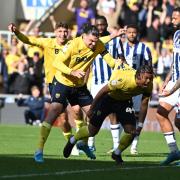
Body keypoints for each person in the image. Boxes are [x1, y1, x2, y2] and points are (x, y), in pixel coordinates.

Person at [33, 24, 125, 162]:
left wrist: (119, 64)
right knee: (55, 109)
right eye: (91, 41)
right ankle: (39, 150)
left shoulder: (98, 44)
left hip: (79, 86)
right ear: (83, 36)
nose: (93, 44)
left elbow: (110, 62)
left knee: (93, 115)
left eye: (96, 41)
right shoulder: (72, 45)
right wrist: (73, 72)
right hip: (63, 82)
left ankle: (81, 142)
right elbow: (57, 63)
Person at [8, 22, 77, 162]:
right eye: (60, 31)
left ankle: (75, 143)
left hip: (71, 83)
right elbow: (28, 40)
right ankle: (41, 149)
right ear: (55, 31)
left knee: (68, 116)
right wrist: (16, 33)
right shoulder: (47, 42)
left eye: (65, 31)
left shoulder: (73, 44)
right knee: (61, 116)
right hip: (55, 84)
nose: (63, 34)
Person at [63, 63, 153, 164]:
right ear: (139, 75)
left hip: (124, 103)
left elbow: (144, 103)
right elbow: (102, 91)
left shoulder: (149, 85)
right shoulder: (124, 80)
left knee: (131, 132)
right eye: (146, 78)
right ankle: (72, 140)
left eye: (150, 78)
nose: (148, 81)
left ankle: (117, 153)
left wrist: (140, 124)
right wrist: (92, 109)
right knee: (92, 131)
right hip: (108, 100)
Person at [88, 15, 123, 153]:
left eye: (102, 24)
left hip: (111, 81)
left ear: (106, 24)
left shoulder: (115, 40)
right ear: (94, 25)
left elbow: (121, 58)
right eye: (98, 25)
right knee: (91, 112)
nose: (100, 27)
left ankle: (116, 145)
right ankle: (90, 143)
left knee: (113, 113)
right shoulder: (91, 41)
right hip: (96, 82)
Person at [118, 24, 152, 155]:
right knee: (122, 113)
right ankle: (118, 145)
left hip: (138, 87)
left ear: (137, 33)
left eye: (134, 32)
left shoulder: (144, 48)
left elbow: (149, 67)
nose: (131, 34)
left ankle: (134, 145)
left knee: (137, 115)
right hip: (125, 85)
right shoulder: (120, 47)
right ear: (126, 33)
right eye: (129, 32)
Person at [156, 7, 180, 166]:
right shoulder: (177, 34)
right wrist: (167, 79)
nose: (172, 21)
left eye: (175, 18)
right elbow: (175, 60)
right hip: (175, 80)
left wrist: (172, 89)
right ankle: (174, 152)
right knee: (160, 113)